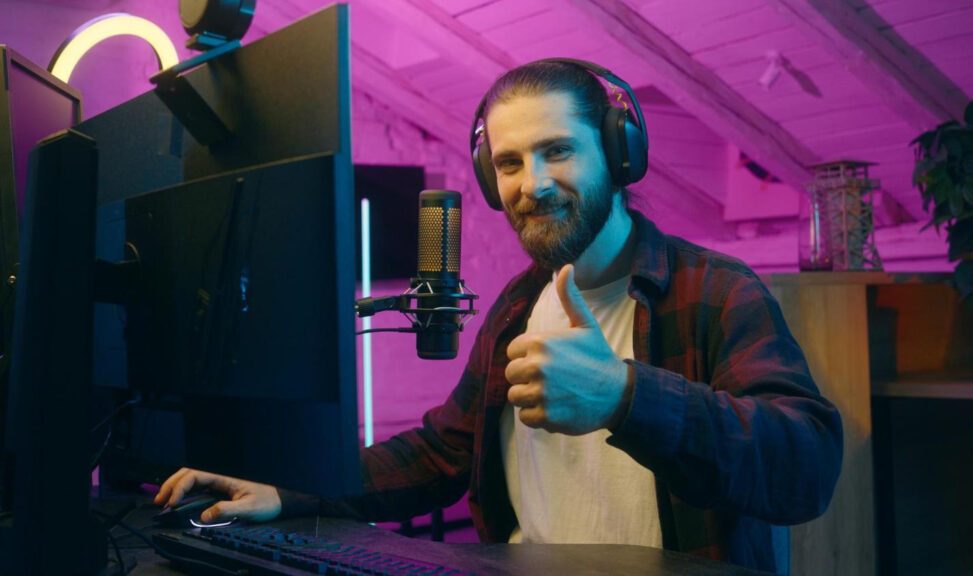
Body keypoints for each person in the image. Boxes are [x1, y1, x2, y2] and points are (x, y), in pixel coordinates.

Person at [155, 59, 843, 572]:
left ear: (618, 151)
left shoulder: (716, 291)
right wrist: (294, 487)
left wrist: (626, 398)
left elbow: (806, 464)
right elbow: (442, 450)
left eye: (558, 151)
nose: (532, 184)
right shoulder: (517, 308)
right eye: (509, 163)